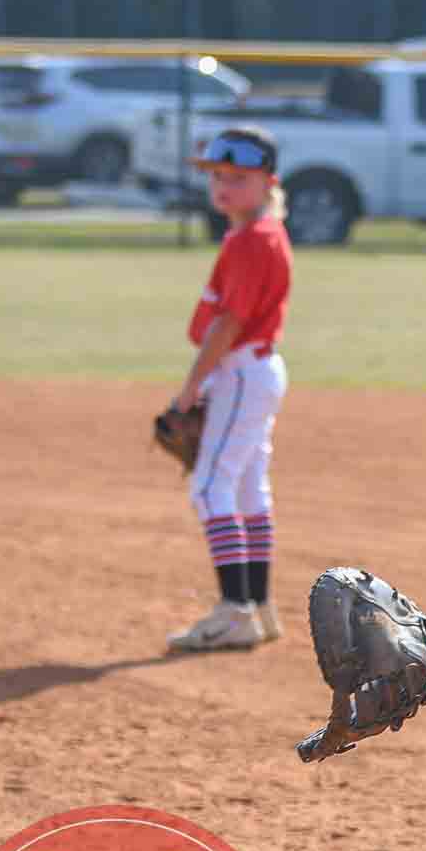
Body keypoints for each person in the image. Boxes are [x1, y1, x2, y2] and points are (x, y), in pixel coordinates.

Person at [165, 127, 292, 652]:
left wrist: (188, 390)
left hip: (240, 370)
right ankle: (257, 606)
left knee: (210, 487)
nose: (223, 187)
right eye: (217, 177)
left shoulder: (250, 239)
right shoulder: (259, 232)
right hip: (256, 371)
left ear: (268, 182)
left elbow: (228, 324)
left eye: (238, 178)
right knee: (245, 489)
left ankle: (236, 609)